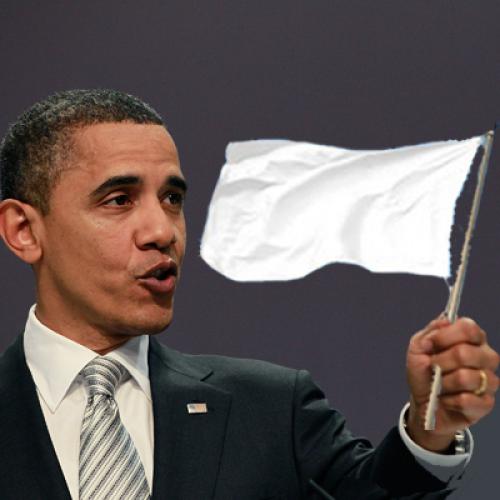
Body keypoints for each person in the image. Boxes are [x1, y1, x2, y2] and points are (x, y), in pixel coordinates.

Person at [0, 89, 497, 500]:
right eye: (118, 200)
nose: (162, 230)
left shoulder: (272, 410)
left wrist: (431, 431)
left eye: (172, 198)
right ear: (24, 230)